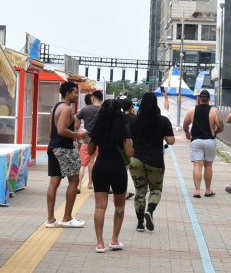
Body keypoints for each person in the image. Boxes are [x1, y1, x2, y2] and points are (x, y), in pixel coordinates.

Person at [87, 99, 133, 252]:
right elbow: (128, 153)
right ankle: (114, 240)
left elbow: (90, 151)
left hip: (100, 167)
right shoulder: (123, 129)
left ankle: (99, 243)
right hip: (118, 168)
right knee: (119, 205)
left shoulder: (98, 128)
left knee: (100, 206)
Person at [128, 92, 175, 232]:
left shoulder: (134, 121)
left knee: (140, 191)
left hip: (136, 160)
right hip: (155, 160)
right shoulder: (162, 121)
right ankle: (150, 210)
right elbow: (171, 141)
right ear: (156, 104)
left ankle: (140, 223)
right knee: (155, 190)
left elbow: (128, 141)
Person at [45, 81, 88, 229]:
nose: (77, 96)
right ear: (68, 93)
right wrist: (78, 134)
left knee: (54, 183)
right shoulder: (66, 109)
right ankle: (67, 217)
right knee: (74, 181)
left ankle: (50, 219)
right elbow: (61, 130)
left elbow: (53, 130)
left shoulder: (55, 107)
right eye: (75, 92)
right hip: (64, 149)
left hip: (53, 148)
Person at [182, 89, 223, 198]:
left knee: (197, 165)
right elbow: (220, 125)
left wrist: (187, 133)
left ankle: (197, 191)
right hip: (210, 140)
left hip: (196, 140)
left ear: (199, 99)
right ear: (209, 99)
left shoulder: (192, 110)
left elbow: (185, 124)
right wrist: (216, 132)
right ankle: (208, 190)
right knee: (208, 165)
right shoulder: (214, 111)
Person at [75, 91, 103, 189]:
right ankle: (91, 184)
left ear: (93, 98)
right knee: (93, 162)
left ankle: (78, 185)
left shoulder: (85, 109)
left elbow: (76, 118)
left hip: (87, 140)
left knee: (83, 164)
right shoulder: (103, 110)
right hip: (100, 141)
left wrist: (77, 130)